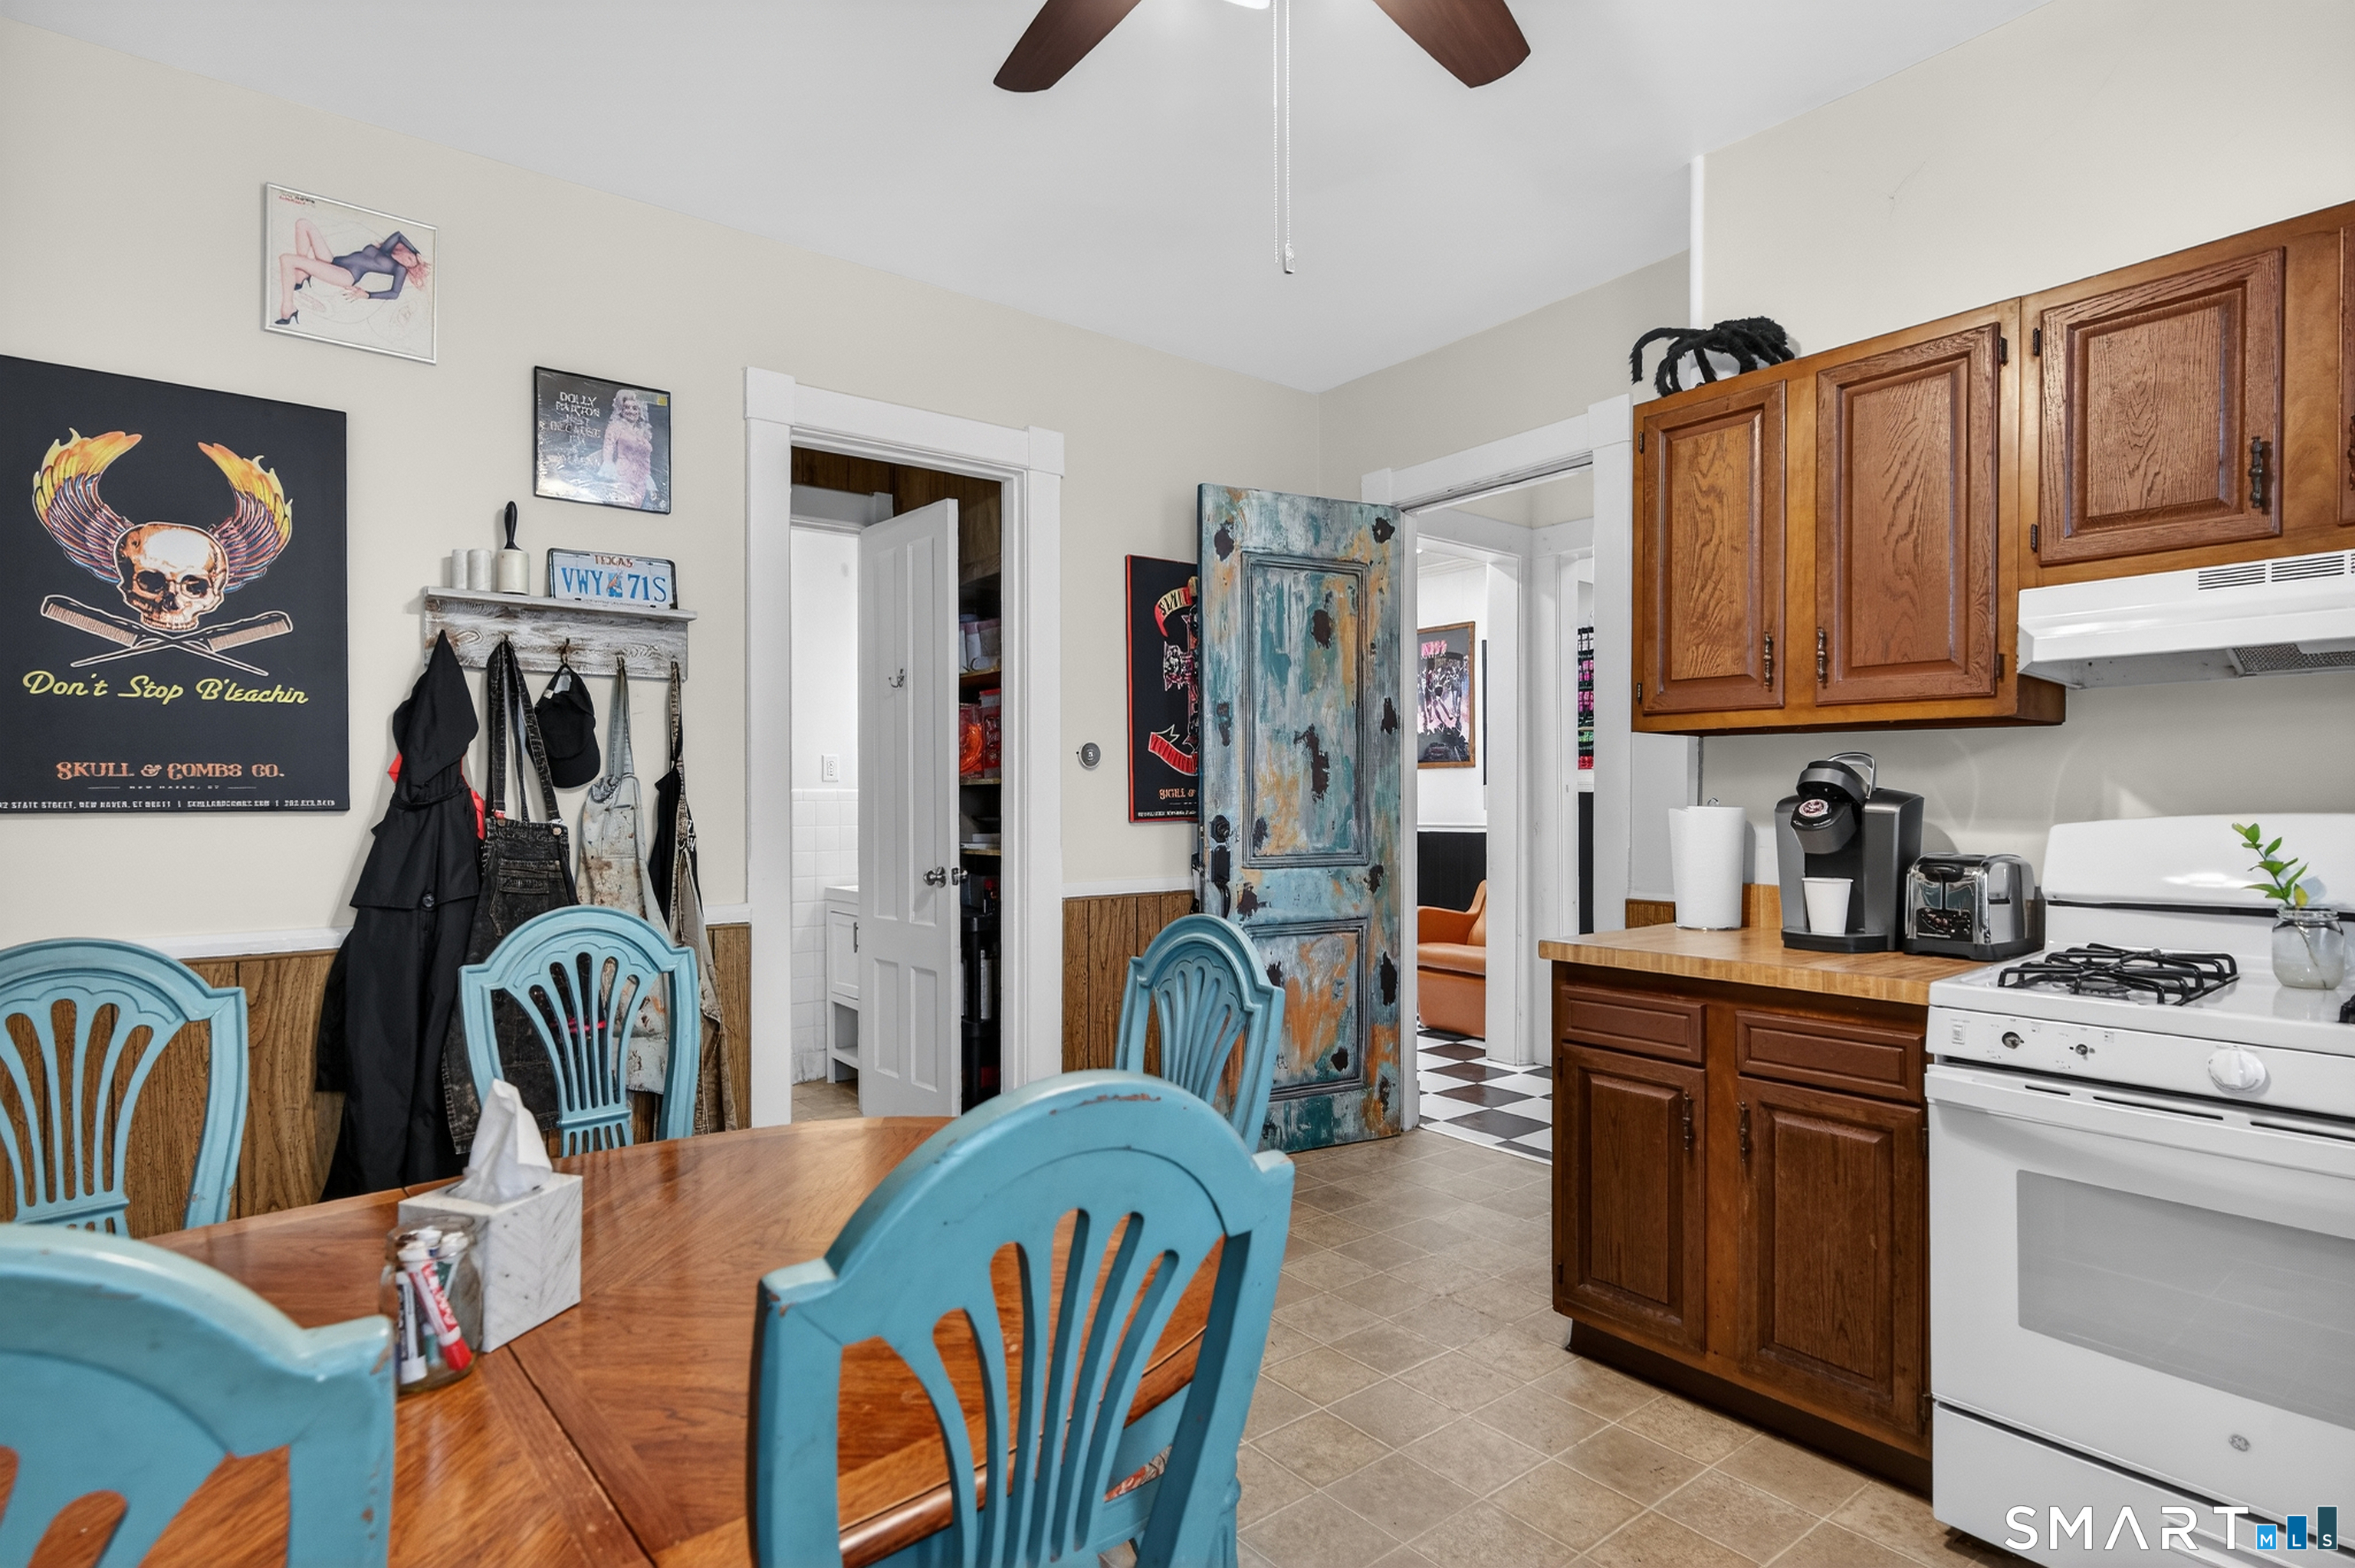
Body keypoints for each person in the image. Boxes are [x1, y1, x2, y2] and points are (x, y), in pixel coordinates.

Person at [274, 216, 429, 326]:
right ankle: (301, 275)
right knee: (303, 224)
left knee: (287, 259)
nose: (407, 263)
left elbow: (394, 294)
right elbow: (398, 235)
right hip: (334, 261)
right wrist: (417, 253)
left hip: (345, 275)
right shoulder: (385, 250)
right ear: (407, 251)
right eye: (410, 258)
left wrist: (367, 295)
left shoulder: (399, 269)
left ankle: (288, 308)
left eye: (410, 265)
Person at [597, 387, 657, 507]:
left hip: (641, 482)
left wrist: (649, 482)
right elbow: (608, 448)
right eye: (627, 407)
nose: (631, 411)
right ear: (621, 410)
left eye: (635, 408)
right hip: (622, 478)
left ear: (640, 411)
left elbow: (645, 460)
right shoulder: (615, 427)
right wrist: (608, 467)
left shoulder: (643, 433)